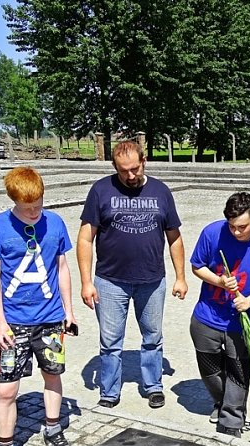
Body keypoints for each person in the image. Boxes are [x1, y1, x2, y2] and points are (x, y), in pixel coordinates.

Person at [0, 166, 77, 446]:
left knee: (53, 377)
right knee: (6, 391)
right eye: (26, 207)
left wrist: (69, 312)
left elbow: (62, 269)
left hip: (49, 322)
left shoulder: (56, 223)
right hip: (13, 325)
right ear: (13, 201)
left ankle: (53, 429)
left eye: (38, 205)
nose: (33, 212)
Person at [76, 140, 188, 410]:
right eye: (123, 170)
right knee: (110, 341)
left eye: (135, 169)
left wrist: (180, 276)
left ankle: (153, 385)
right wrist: (86, 282)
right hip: (110, 281)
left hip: (152, 280)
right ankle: (110, 389)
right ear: (114, 166)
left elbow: (174, 237)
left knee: (152, 336)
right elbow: (85, 238)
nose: (129, 175)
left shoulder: (161, 191)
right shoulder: (101, 190)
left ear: (144, 161)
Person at [189, 192, 250, 436]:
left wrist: (249, 300)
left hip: (243, 321)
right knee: (210, 369)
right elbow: (197, 266)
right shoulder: (212, 232)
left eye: (242, 227)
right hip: (207, 316)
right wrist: (220, 282)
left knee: (239, 371)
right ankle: (221, 402)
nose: (236, 232)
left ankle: (232, 419)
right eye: (231, 227)